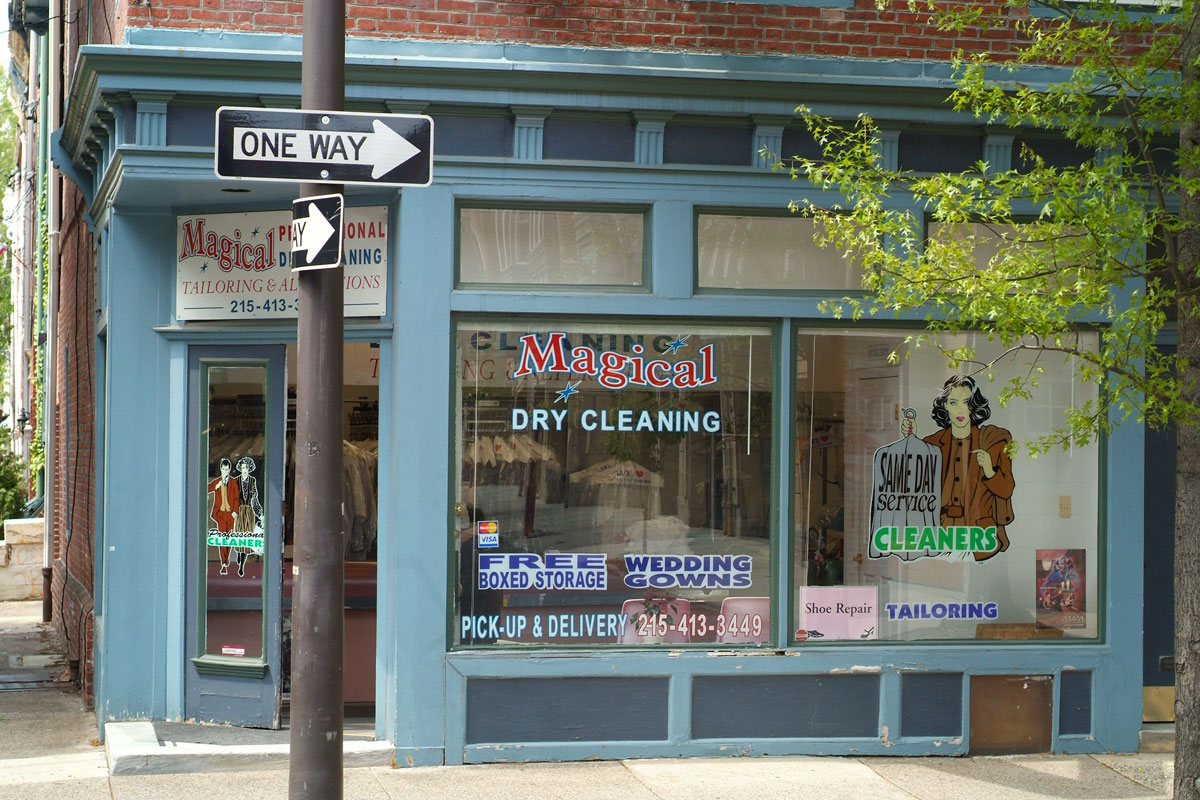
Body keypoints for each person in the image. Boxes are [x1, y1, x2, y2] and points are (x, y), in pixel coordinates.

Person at [922, 375, 1016, 561]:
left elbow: (1006, 490)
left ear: (974, 405)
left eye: (966, 402)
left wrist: (990, 471)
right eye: (953, 402)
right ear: (945, 405)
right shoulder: (931, 444)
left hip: (979, 537)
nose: (960, 409)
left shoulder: (994, 441)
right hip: (936, 536)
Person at [207, 458, 241, 575]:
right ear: (220, 469)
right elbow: (206, 489)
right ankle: (224, 563)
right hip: (221, 513)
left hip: (230, 514)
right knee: (222, 538)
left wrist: (235, 511)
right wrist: (216, 486)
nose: (225, 471)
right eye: (223, 469)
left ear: (229, 470)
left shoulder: (233, 482)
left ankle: (226, 560)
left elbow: (236, 498)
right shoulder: (217, 481)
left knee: (229, 538)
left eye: (227, 469)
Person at [232, 456, 264, 577]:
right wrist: (233, 511)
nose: (244, 470)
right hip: (239, 511)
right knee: (240, 535)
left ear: (249, 468)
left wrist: (260, 514)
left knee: (247, 536)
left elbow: (254, 499)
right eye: (243, 467)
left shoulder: (252, 481)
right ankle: (239, 556)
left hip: (249, 511)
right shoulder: (236, 481)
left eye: (246, 467)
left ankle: (241, 566)